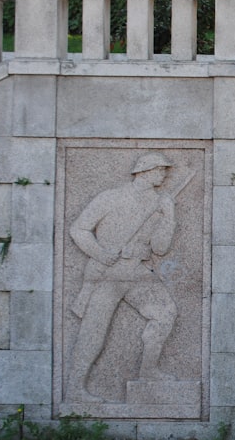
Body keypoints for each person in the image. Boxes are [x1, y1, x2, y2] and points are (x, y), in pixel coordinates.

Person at [67, 152, 179, 403]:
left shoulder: (157, 203)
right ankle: (75, 389)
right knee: (94, 331)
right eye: (160, 170)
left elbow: (160, 248)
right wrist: (99, 253)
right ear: (145, 171)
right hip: (107, 273)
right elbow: (79, 229)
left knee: (165, 312)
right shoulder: (112, 197)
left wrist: (169, 216)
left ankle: (148, 371)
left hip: (137, 271)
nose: (163, 175)